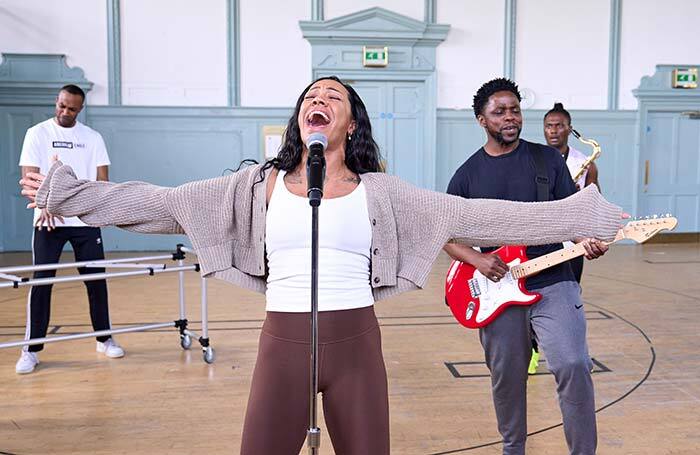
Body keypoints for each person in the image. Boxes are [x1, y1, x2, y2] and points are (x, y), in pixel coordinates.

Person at [20, 76, 622, 454]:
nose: (320, 100)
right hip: (281, 346)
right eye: (311, 97)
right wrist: (67, 194)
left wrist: (581, 217)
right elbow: (158, 203)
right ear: (299, 120)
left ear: (350, 122)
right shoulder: (253, 187)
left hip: (356, 347)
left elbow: (486, 217)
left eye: (333, 96)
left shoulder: (385, 194)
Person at [443, 78, 606, 455]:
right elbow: (446, 235)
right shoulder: (467, 175)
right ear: (481, 120)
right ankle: (512, 448)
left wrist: (586, 241)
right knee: (507, 378)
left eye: (514, 109)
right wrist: (479, 259)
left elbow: (574, 215)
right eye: (499, 112)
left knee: (573, 364)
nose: (509, 117)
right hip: (499, 288)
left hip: (554, 281)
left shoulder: (546, 160)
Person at [15, 84, 124, 375]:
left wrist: (84, 208)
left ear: (80, 109)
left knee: (96, 280)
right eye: (61, 105)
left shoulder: (93, 138)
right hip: (48, 221)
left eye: (71, 108)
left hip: (86, 221)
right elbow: (28, 179)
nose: (65, 112)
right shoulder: (37, 133)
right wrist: (48, 204)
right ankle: (31, 349)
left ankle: (104, 338)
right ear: (57, 102)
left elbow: (102, 183)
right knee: (41, 282)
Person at [544, 102, 600, 284]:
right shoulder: (531, 159)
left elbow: (595, 200)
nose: (553, 131)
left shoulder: (586, 163)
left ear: (569, 129)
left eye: (559, 125)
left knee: (572, 286)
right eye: (548, 126)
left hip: (573, 237)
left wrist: (581, 196)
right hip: (540, 234)